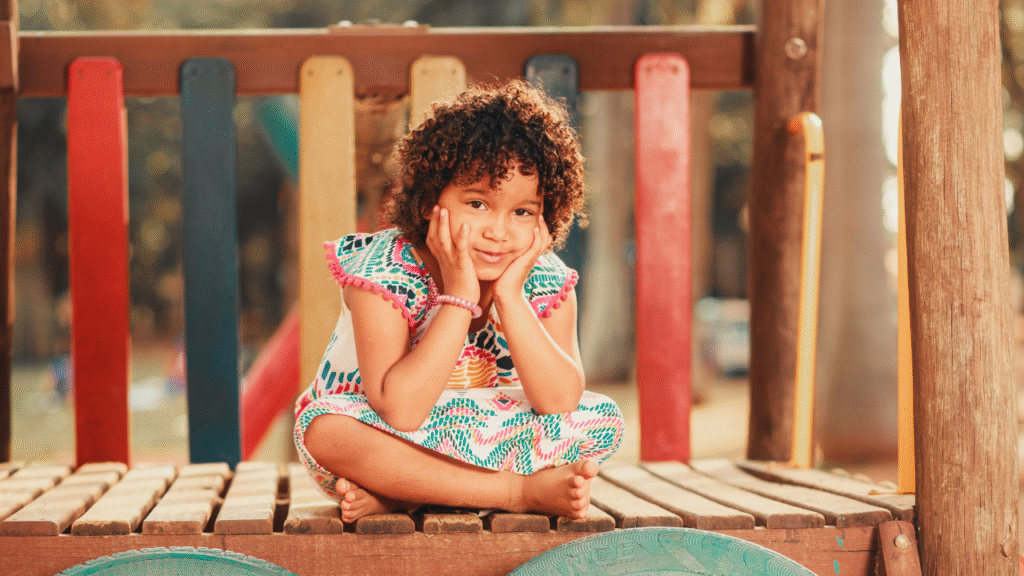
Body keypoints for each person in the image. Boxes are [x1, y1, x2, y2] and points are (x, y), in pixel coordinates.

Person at [293, 80, 624, 522]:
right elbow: (403, 411)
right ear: (431, 201)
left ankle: (404, 495)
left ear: (547, 215)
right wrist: (460, 296)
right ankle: (514, 492)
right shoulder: (382, 271)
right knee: (325, 430)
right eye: (478, 203)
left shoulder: (546, 281)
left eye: (523, 212)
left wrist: (510, 296)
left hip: (490, 435)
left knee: (600, 418)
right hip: (391, 435)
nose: (499, 231)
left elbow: (560, 400)